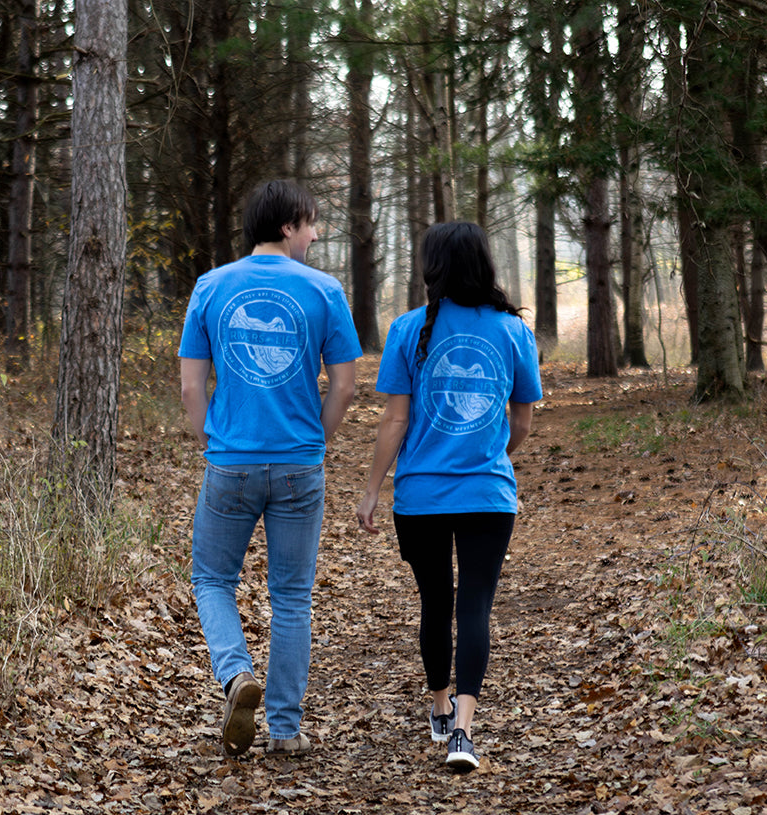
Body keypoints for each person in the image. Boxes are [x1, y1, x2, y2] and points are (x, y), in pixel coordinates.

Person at [179, 179, 361, 757]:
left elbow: (190, 386)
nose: (315, 233)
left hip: (230, 461)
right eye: (310, 223)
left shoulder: (211, 286)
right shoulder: (325, 290)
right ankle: (284, 730)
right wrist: (314, 441)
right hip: (299, 465)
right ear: (287, 227)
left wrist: (217, 439)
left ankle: (235, 676)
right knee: (292, 595)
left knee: (211, 579)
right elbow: (347, 385)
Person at [356, 221, 541, 773]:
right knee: (475, 604)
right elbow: (524, 422)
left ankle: (438, 710)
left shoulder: (408, 330)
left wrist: (371, 489)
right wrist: (487, 457)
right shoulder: (512, 331)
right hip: (489, 494)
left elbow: (394, 420)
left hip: (420, 496)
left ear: (432, 267)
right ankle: (464, 731)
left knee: (435, 601)